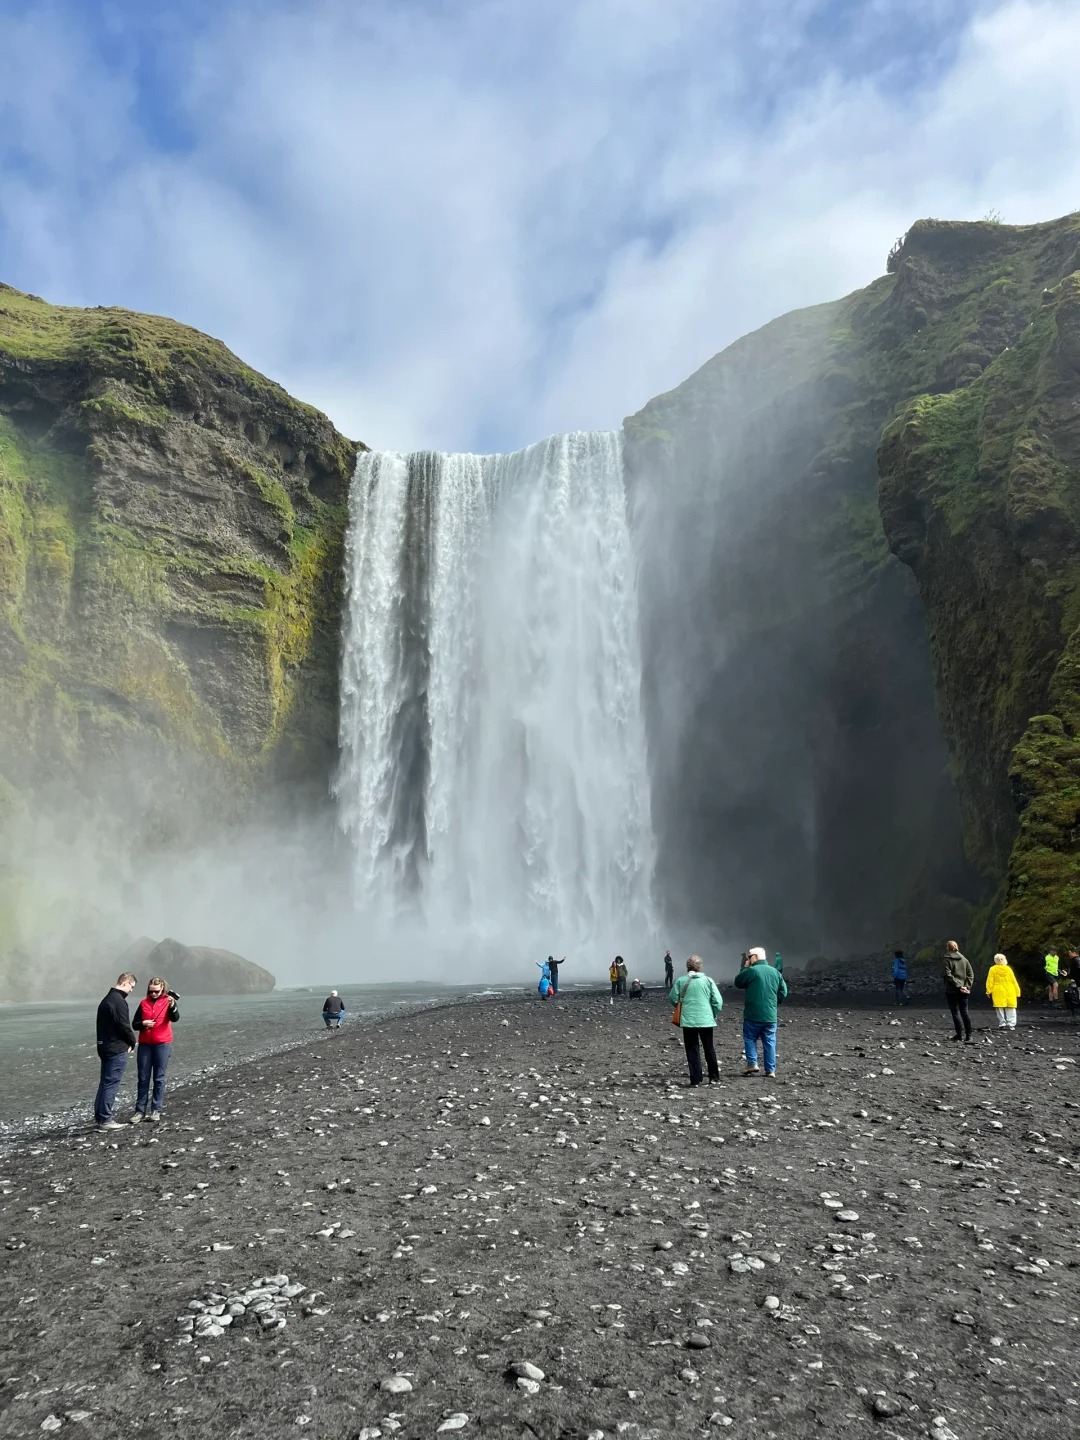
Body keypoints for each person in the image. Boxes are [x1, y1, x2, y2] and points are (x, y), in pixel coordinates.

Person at [130, 976, 179, 1122]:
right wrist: (143, 1023)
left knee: (159, 1078)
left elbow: (175, 1018)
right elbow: (134, 1024)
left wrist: (173, 1006)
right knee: (143, 1078)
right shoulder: (143, 1003)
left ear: (162, 989)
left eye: (156, 991)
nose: (153, 994)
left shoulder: (168, 1001)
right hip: (145, 1045)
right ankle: (139, 1112)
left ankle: (156, 1110)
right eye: (151, 992)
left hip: (162, 1044)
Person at [668, 955, 723, 1086]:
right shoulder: (708, 981)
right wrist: (712, 1013)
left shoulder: (681, 981)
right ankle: (714, 1078)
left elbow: (672, 998)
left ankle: (696, 1079)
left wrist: (680, 1005)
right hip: (706, 1020)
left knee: (692, 1050)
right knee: (709, 1048)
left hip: (688, 1020)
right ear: (700, 966)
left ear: (687, 967)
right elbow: (718, 1002)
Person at [735, 947, 788, 1078]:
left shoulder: (752, 971)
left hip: (753, 1014)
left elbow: (738, 982)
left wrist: (744, 968)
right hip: (770, 1015)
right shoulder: (775, 972)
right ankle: (770, 1070)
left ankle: (752, 1063)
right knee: (770, 1042)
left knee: (750, 1038)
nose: (748, 959)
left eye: (750, 956)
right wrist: (774, 1003)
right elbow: (783, 992)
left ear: (756, 957)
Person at [94, 972, 138, 1130]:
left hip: (104, 1046)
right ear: (125, 983)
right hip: (116, 1048)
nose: (131, 991)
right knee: (111, 1083)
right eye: (131, 987)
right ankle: (105, 1119)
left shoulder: (106, 1000)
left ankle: (100, 1118)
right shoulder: (118, 1001)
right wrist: (133, 1042)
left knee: (105, 1083)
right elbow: (124, 1025)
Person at [943, 939, 975, 1042]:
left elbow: (948, 975)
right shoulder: (964, 959)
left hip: (952, 990)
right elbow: (971, 974)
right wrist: (966, 986)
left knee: (955, 1013)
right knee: (965, 1012)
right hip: (964, 991)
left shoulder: (947, 959)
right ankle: (969, 1035)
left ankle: (959, 1035)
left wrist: (958, 985)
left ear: (948, 948)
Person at [984, 953, 1020, 1031]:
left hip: (998, 990)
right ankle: (1011, 1024)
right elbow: (1014, 981)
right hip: (1010, 990)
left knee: (999, 1007)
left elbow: (990, 981)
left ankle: (1002, 1023)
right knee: (1011, 1007)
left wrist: (988, 991)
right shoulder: (1008, 969)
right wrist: (1017, 991)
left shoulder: (992, 969)